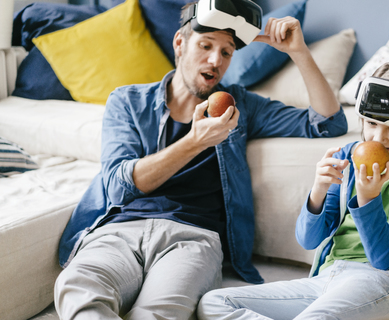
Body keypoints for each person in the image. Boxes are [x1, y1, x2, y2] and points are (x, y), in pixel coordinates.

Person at [53, 0, 348, 318]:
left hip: (193, 238)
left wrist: (298, 52)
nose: (215, 60)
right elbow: (119, 187)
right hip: (122, 231)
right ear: (180, 44)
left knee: (159, 312)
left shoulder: (239, 106)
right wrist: (195, 142)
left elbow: (327, 122)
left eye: (226, 52)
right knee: (79, 288)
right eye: (206, 45)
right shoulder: (128, 101)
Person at [197, 56, 389, 320]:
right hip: (329, 276)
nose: (378, 138)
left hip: (383, 281)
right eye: (372, 123)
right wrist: (318, 190)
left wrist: (368, 198)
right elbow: (308, 239)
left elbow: (385, 258)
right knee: (214, 302)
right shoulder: (348, 158)